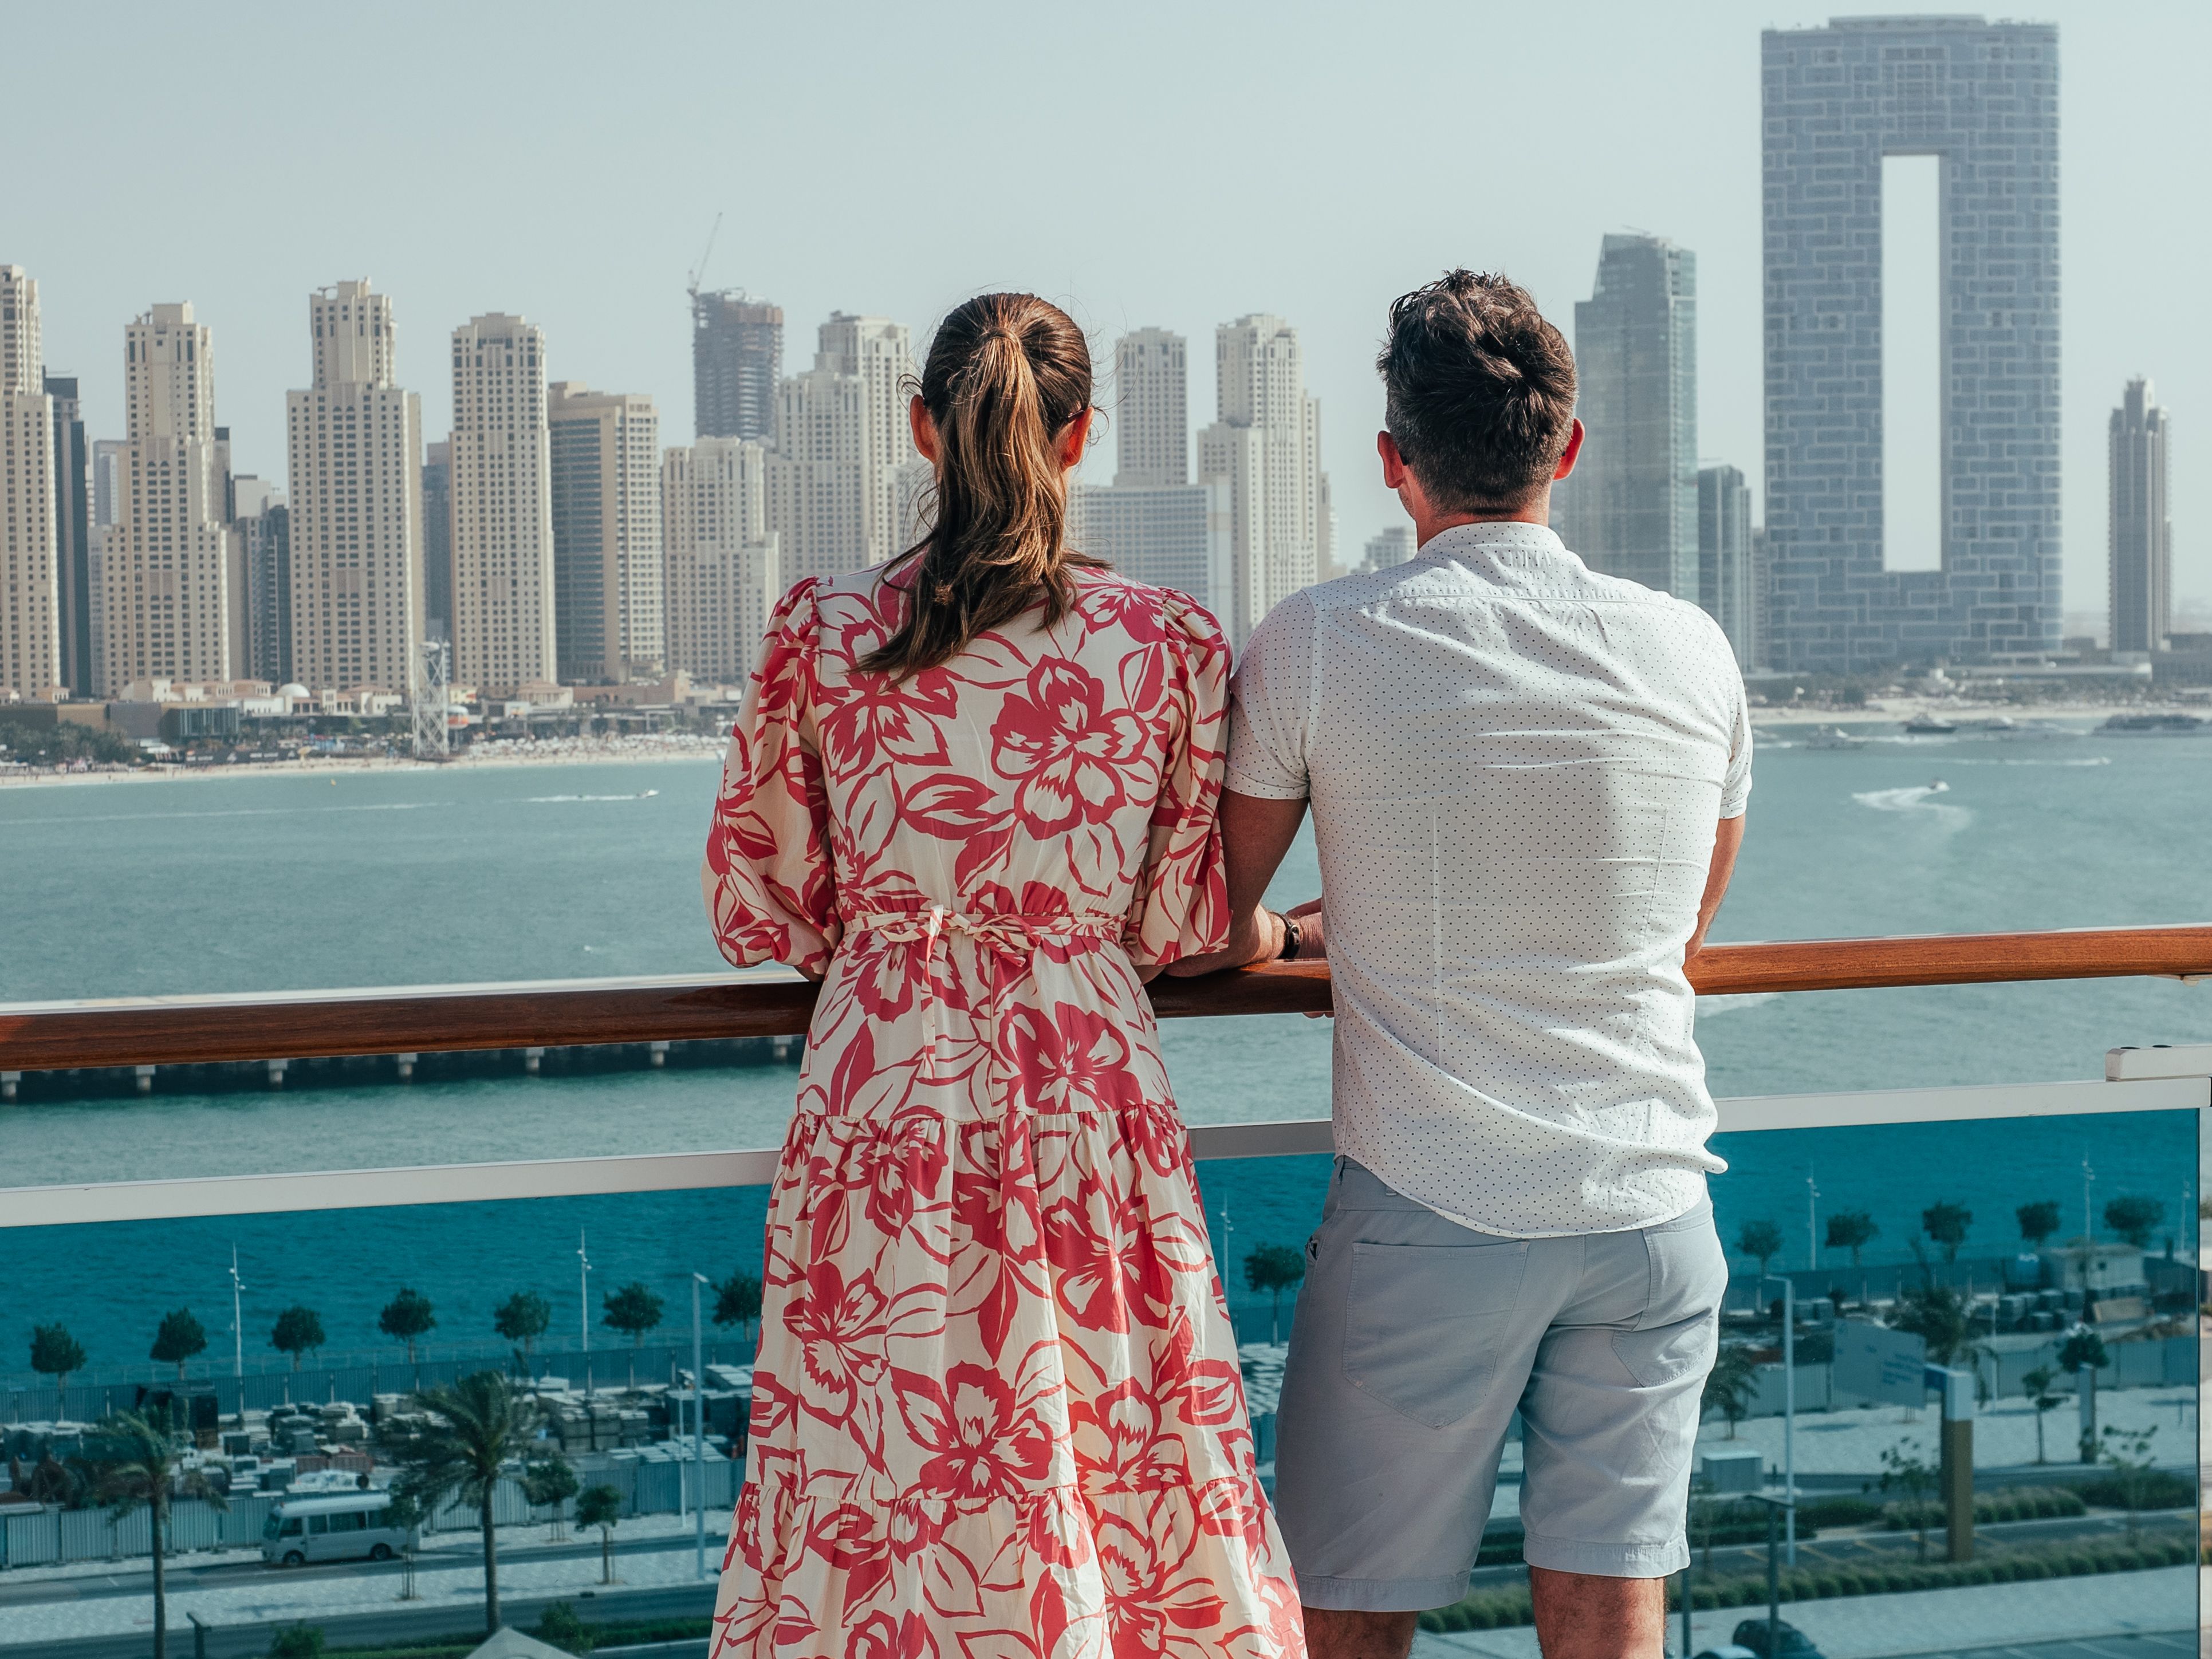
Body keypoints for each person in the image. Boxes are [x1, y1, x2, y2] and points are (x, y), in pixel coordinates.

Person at [702, 292, 1304, 1659]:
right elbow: (1177, 916)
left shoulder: (824, 624)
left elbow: (762, 905)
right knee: (1104, 1416)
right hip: (1085, 1077)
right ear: (1080, 438)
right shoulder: (1166, 640)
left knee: (885, 1433)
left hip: (883, 1082)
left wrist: (900, 934)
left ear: (921, 428)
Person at [1172, 270, 1749, 1659]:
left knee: (1347, 1615)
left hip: (1433, 1210)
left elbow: (1201, 919)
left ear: (1392, 463)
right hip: (1650, 1210)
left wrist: (1296, 936)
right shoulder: (1691, 647)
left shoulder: (1318, 640)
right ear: (1564, 449)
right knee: (1609, 1614)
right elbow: (1677, 927)